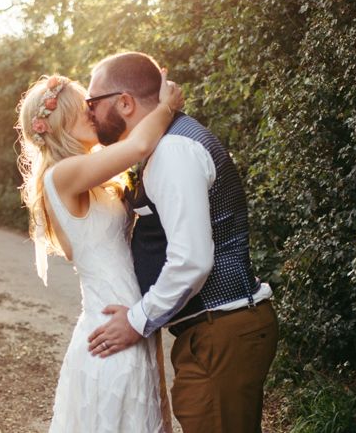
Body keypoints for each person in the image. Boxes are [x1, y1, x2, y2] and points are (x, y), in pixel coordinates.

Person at [86, 52, 279, 433]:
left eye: (94, 103)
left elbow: (191, 260)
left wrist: (136, 321)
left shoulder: (175, 150)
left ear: (125, 102)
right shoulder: (169, 142)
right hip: (214, 330)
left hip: (221, 330)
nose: (89, 113)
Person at [16, 71, 183, 433]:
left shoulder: (86, 176)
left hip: (128, 322)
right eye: (83, 110)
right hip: (110, 335)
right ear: (60, 123)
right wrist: (166, 106)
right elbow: (138, 147)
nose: (93, 114)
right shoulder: (61, 176)